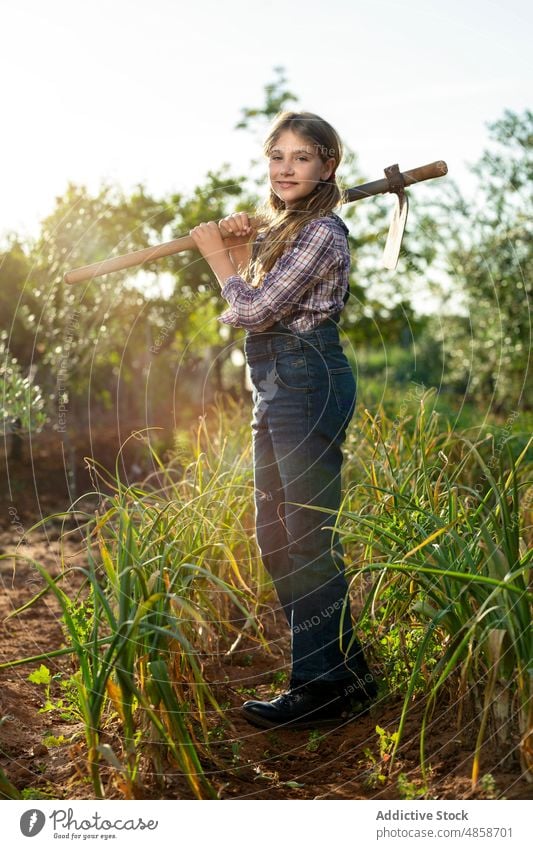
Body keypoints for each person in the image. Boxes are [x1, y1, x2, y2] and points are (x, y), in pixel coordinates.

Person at [189, 110, 377, 730]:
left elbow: (256, 308)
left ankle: (322, 686)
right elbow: (258, 296)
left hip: (306, 379)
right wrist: (244, 248)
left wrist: (221, 260)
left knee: (303, 536)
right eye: (277, 156)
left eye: (302, 156)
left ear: (328, 164)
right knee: (276, 534)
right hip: (275, 384)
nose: (287, 168)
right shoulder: (287, 232)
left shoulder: (322, 231)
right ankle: (342, 674)